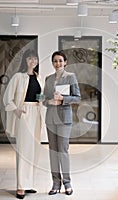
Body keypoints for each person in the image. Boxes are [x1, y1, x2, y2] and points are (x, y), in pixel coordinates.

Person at [3, 49, 42, 199]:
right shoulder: (18, 77)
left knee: (34, 150)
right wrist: (16, 110)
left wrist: (44, 99)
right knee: (24, 150)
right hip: (24, 114)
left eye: (35, 58)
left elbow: (40, 94)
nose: (33, 61)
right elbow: (8, 98)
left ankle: (29, 184)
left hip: (36, 114)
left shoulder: (39, 77)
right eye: (30, 58)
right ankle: (20, 186)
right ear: (25, 60)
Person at [43, 50, 81, 196]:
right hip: (51, 119)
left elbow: (77, 98)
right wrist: (49, 101)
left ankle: (67, 182)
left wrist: (63, 100)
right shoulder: (48, 79)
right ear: (52, 63)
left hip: (64, 120)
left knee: (63, 151)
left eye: (60, 60)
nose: (57, 63)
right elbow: (44, 99)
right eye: (55, 61)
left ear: (65, 62)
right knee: (53, 152)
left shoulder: (71, 77)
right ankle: (55, 183)